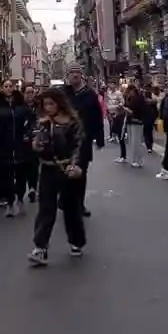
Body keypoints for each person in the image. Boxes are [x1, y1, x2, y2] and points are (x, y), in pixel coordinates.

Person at [29, 87, 86, 265]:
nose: (48, 107)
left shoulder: (72, 122)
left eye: (51, 104)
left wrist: (75, 165)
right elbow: (37, 144)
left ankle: (76, 241)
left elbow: (79, 145)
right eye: (45, 104)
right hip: (47, 169)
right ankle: (40, 247)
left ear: (59, 103)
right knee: (46, 209)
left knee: (71, 208)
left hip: (66, 168)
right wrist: (36, 144)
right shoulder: (43, 123)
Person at [0, 80, 32, 217]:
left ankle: (20, 199)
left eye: (10, 86)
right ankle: (10, 203)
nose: (8, 88)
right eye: (5, 86)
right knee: (6, 176)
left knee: (21, 175)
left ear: (14, 88)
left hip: (20, 145)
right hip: (3, 146)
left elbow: (30, 122)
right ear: (1, 88)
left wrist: (28, 135)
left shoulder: (21, 104)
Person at [63, 63, 104, 217]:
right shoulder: (63, 94)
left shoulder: (90, 94)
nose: (75, 75)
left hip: (83, 140)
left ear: (81, 75)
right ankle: (66, 201)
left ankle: (79, 204)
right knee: (65, 172)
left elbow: (97, 117)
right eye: (72, 72)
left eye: (77, 72)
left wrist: (99, 138)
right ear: (68, 75)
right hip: (64, 140)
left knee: (81, 173)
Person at [122, 82, 147, 168]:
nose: (129, 93)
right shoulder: (130, 98)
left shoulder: (138, 98)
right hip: (130, 121)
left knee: (136, 142)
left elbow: (138, 111)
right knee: (132, 141)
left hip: (136, 121)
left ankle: (137, 160)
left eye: (129, 91)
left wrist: (126, 110)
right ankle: (135, 159)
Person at [22, 84, 39, 202]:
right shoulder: (19, 107)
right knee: (25, 165)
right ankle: (27, 188)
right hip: (23, 141)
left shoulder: (39, 107)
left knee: (35, 165)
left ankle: (33, 188)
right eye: (27, 92)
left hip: (36, 140)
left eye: (31, 92)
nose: (29, 95)